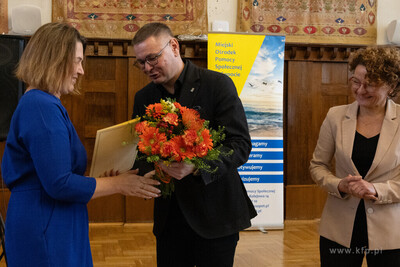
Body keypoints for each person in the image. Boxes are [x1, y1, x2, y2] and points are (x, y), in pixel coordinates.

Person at [1, 22, 161, 267]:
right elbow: (59, 184)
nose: (81, 71)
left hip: (54, 218)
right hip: (46, 224)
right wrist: (119, 184)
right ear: (54, 60)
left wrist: (104, 180)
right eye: (77, 61)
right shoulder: (41, 107)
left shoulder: (43, 104)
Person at [131, 22, 257, 266]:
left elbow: (240, 144)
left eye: (152, 58)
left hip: (216, 215)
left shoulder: (217, 84)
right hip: (170, 220)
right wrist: (145, 172)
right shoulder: (144, 98)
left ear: (174, 46)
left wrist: (197, 166)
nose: (147, 67)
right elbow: (140, 150)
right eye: (141, 62)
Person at [310, 46, 400, 266]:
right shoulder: (335, 116)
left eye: (371, 83)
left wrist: (376, 189)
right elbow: (317, 166)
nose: (361, 90)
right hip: (338, 230)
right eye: (356, 81)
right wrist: (339, 184)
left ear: (391, 86)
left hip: (391, 233)